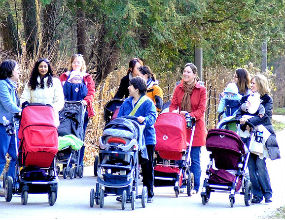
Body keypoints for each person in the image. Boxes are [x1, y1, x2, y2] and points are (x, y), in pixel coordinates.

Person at [117, 76, 157, 203]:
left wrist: (144, 119)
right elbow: (119, 117)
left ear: (137, 89)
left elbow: (152, 118)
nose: (128, 88)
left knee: (147, 166)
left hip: (146, 139)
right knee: (127, 164)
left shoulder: (147, 102)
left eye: (130, 86)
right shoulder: (126, 102)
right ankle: (125, 190)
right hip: (129, 139)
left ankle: (149, 192)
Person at [169, 63, 207, 194]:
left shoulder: (201, 90)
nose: (185, 74)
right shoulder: (178, 88)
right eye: (184, 71)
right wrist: (175, 113)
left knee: (194, 157)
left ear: (195, 75)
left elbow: (201, 110)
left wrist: (189, 115)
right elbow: (173, 105)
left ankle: (196, 185)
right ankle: (182, 181)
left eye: (188, 72)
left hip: (195, 127)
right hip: (181, 126)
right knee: (180, 156)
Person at [236, 74, 274, 203]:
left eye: (254, 83)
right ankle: (257, 194)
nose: (251, 85)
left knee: (260, 165)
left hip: (261, 134)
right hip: (247, 134)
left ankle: (267, 193)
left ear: (260, 85)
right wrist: (242, 121)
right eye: (251, 83)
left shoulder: (267, 99)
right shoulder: (246, 98)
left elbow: (265, 116)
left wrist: (249, 122)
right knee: (250, 165)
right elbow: (239, 113)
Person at [59, 54, 95, 166]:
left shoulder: (87, 77)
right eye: (74, 62)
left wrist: (86, 101)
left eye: (78, 62)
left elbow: (91, 92)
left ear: (82, 64)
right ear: (71, 63)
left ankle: (79, 162)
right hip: (65, 110)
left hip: (81, 110)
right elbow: (58, 90)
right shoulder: (64, 76)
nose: (76, 64)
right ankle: (66, 161)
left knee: (80, 134)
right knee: (65, 133)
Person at [20, 58, 64, 126]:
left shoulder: (55, 82)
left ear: (48, 68)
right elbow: (24, 98)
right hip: (33, 117)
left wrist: (51, 109)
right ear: (37, 68)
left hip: (50, 117)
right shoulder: (31, 82)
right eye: (41, 66)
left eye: (45, 66)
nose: (43, 69)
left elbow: (59, 101)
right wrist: (25, 106)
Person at [0, 59, 22, 183]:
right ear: (9, 71)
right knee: (1, 156)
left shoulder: (12, 86)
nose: (18, 71)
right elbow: (7, 104)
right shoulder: (2, 84)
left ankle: (10, 182)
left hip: (12, 125)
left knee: (16, 155)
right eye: (16, 69)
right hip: (3, 125)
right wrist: (21, 111)